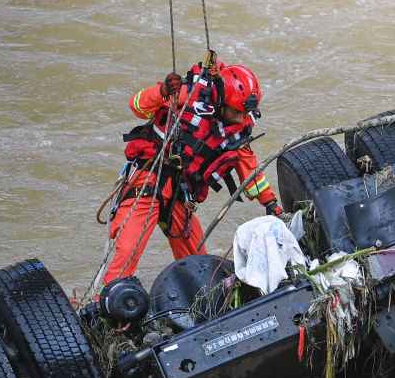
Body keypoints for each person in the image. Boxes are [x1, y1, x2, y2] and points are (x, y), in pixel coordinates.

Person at [101, 59, 282, 287]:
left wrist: (271, 203)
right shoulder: (187, 95)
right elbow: (137, 106)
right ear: (222, 101)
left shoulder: (238, 130)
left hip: (181, 193)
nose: (241, 118)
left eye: (245, 112)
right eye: (237, 111)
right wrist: (162, 91)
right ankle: (109, 301)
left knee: (198, 260)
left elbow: (250, 174)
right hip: (150, 177)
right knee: (129, 246)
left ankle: (202, 301)